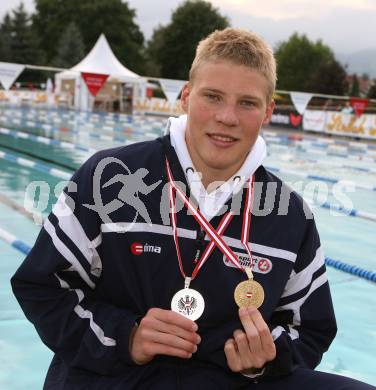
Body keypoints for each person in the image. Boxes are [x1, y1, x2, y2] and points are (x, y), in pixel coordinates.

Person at [11, 28, 374, 389]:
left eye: (247, 103)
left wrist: (266, 358)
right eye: (212, 97)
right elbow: (42, 286)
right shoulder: (109, 177)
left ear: (268, 112)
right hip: (114, 377)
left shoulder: (290, 215)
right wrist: (125, 337)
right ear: (185, 96)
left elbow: (310, 328)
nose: (227, 117)